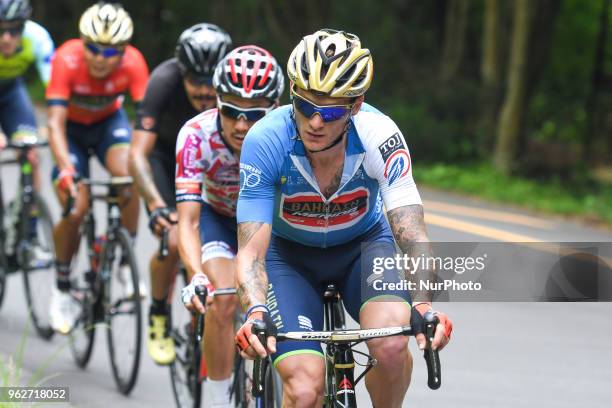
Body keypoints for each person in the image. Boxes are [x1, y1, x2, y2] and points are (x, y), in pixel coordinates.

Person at [227, 29, 452, 407]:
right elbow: (251, 250)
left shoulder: (380, 136)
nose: (315, 122)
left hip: (362, 248)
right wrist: (255, 311)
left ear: (356, 105)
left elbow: (412, 234)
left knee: (393, 346)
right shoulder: (266, 140)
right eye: (305, 106)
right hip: (289, 258)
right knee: (303, 389)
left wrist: (424, 307)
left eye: (330, 111)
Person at [177, 45, 284, 407]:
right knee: (221, 302)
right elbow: (188, 221)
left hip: (271, 224)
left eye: (254, 115)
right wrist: (195, 275)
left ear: (275, 109)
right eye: (231, 111)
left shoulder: (291, 135)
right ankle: (220, 398)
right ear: (217, 103)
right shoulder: (195, 135)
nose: (241, 125)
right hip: (218, 218)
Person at [128, 22, 232, 365]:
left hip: (211, 165)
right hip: (164, 160)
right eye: (195, 82)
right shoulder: (163, 81)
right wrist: (157, 205)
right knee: (173, 238)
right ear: (181, 73)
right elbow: (137, 154)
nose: (204, 91)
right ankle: (158, 311)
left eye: (210, 82)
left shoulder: (234, 87)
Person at [46, 2, 149, 334]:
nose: (101, 59)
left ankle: (122, 258)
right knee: (76, 206)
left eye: (111, 52)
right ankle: (62, 286)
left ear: (124, 49)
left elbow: (145, 127)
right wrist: (65, 169)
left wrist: (143, 162)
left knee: (129, 176)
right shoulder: (67, 59)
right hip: (71, 133)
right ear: (81, 42)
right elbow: (54, 123)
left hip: (108, 126)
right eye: (93, 48)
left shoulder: (133, 63)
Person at [0, 0, 54, 265]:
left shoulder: (37, 37)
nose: (6, 38)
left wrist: (54, 124)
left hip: (11, 93)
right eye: (0, 31)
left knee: (30, 153)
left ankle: (30, 238)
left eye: (14, 30)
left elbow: (56, 90)